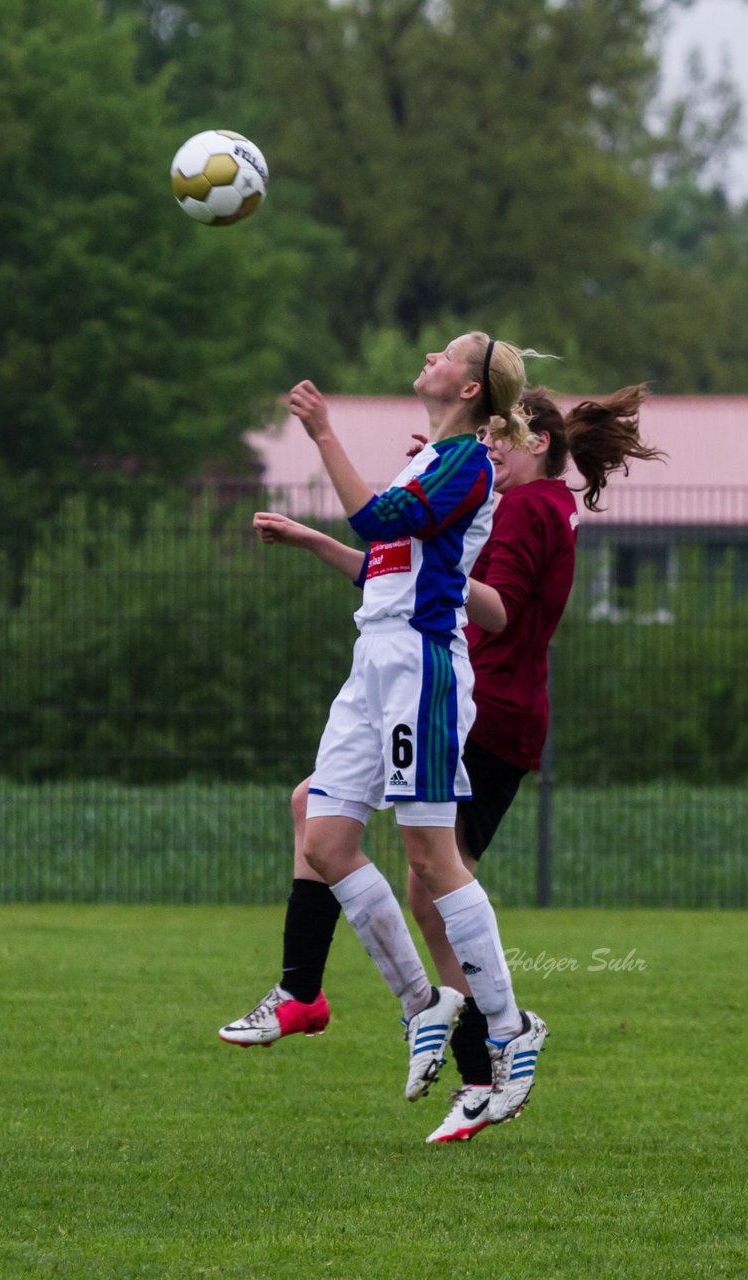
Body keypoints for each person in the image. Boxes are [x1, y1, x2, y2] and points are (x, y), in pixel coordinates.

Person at [221, 381, 663, 1142]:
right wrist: (364, 532)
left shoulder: (528, 505)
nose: (494, 445)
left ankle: (489, 1051)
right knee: (321, 815)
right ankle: (356, 1006)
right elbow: (401, 564)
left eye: (508, 437)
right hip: (464, 694)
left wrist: (443, 521)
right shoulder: (516, 494)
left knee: (429, 878)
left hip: (487, 709)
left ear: (537, 446)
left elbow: (494, 608)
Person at [222, 331, 551, 1125]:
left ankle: (511, 1028)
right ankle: (421, 1005)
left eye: (446, 353)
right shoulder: (431, 458)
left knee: (430, 857)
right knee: (325, 840)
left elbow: (377, 522)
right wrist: (308, 539)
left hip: (421, 671)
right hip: (372, 664)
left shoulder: (466, 464)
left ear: (470, 388)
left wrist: (324, 432)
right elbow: (384, 560)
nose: (430, 357)